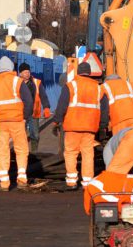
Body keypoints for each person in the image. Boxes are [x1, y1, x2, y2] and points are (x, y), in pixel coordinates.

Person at [0, 56, 34, 192]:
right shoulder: (17, 81)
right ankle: (22, 179)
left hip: (1, 123)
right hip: (17, 121)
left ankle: (4, 183)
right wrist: (25, 118)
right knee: (21, 150)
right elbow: (28, 101)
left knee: (3, 150)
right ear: (11, 68)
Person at [53, 62, 102, 190]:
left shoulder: (71, 85)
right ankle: (87, 182)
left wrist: (56, 120)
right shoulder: (97, 87)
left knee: (70, 153)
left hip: (72, 125)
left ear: (78, 72)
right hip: (90, 126)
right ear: (90, 72)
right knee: (87, 154)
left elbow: (62, 105)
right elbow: (103, 107)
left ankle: (71, 181)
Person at [18, 62, 51, 152]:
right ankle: (23, 153)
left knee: (35, 135)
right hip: (21, 114)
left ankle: (34, 152)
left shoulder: (36, 82)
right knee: (21, 135)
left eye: (28, 72)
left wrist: (46, 107)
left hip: (34, 112)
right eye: (25, 72)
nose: (27, 74)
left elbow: (43, 96)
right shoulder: (16, 83)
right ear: (20, 73)